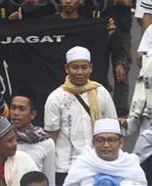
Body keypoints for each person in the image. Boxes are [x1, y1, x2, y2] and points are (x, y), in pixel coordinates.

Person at [44, 46, 117, 183]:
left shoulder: (101, 93)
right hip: (65, 168)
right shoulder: (56, 97)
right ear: (66, 68)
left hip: (97, 165)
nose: (80, 72)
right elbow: (51, 139)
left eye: (84, 67)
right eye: (75, 67)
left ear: (91, 68)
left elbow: (112, 130)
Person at [61, 119, 146, 186]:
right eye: (100, 140)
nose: (106, 145)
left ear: (121, 142)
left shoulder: (130, 165)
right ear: (94, 143)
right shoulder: (83, 164)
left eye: (111, 140)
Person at [10, 93, 55, 180]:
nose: (16, 113)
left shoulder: (46, 143)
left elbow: (49, 180)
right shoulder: (3, 139)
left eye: (21, 109)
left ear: (32, 114)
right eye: (13, 108)